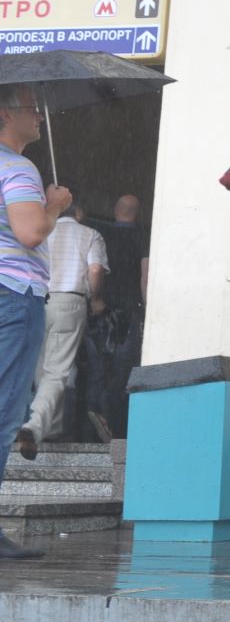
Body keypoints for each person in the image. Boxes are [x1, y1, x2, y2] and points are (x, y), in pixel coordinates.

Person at [0, 84, 72, 560]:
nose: (40, 117)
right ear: (6, 112)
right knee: (4, 412)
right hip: (13, 297)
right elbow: (29, 232)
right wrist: (55, 206)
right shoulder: (17, 166)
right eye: (32, 108)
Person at [20, 196, 107, 451]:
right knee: (57, 371)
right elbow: (95, 270)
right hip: (69, 302)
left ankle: (50, 428)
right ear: (79, 212)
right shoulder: (90, 234)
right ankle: (35, 425)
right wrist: (97, 298)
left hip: (37, 300)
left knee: (40, 367)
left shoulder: (42, 233)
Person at [85, 192, 148, 441]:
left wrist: (94, 299)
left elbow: (93, 270)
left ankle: (91, 417)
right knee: (125, 370)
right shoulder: (143, 236)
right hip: (129, 311)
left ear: (115, 210)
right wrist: (147, 308)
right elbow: (145, 277)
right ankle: (113, 418)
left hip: (100, 309)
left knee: (97, 368)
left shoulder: (100, 235)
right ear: (138, 213)